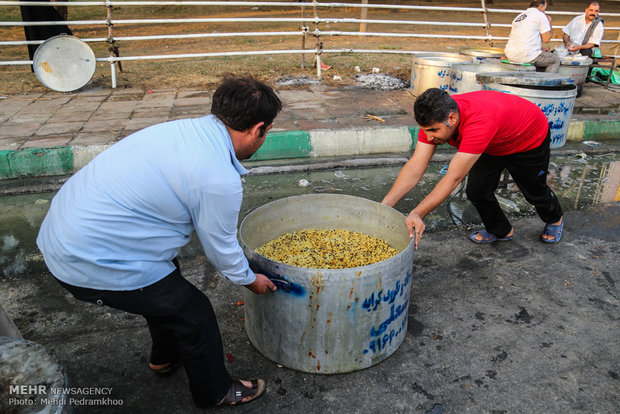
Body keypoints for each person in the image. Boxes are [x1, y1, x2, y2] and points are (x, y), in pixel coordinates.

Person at [36, 76, 282, 408]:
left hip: (63, 232)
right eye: (267, 132)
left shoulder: (184, 131)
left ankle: (164, 358)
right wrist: (250, 280)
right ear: (258, 129)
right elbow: (220, 247)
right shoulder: (218, 177)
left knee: (165, 287)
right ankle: (216, 391)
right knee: (193, 313)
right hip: (86, 257)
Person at [381, 88, 564, 250]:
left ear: (451, 118)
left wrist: (418, 213)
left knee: (534, 190)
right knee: (477, 191)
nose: (429, 137)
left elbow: (453, 178)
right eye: (426, 130)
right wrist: (384, 207)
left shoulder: (479, 123)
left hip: (526, 138)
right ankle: (501, 230)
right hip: (492, 142)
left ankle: (555, 218)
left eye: (434, 131)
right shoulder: (433, 119)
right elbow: (416, 166)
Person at [504, 0, 560, 72]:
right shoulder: (540, 14)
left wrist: (540, 48)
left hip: (510, 54)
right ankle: (548, 81)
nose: (545, 12)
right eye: (545, 9)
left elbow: (525, 37)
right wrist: (549, 22)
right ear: (540, 7)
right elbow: (546, 39)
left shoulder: (520, 16)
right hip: (525, 55)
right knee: (555, 59)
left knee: (543, 57)